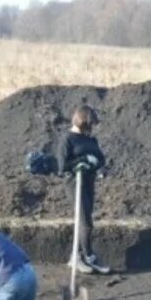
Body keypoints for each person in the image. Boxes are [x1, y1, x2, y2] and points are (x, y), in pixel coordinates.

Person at [58, 105, 110, 274]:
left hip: (89, 182)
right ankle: (87, 256)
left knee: (86, 220)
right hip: (75, 183)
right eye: (90, 125)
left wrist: (96, 164)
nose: (92, 129)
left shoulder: (91, 140)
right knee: (85, 222)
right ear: (82, 122)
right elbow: (62, 166)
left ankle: (78, 255)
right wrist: (79, 162)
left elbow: (101, 159)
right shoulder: (68, 139)